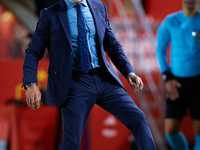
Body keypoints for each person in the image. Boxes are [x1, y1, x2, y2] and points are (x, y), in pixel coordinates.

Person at [22, 0, 156, 149]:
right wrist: (31, 83)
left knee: (138, 117)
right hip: (74, 84)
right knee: (71, 145)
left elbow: (112, 45)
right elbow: (33, 52)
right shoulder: (50, 14)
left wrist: (129, 71)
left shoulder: (99, 7)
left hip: (105, 80)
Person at [156, 0, 200, 149]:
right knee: (171, 131)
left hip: (198, 82)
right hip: (176, 82)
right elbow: (160, 50)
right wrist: (167, 77)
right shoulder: (170, 21)